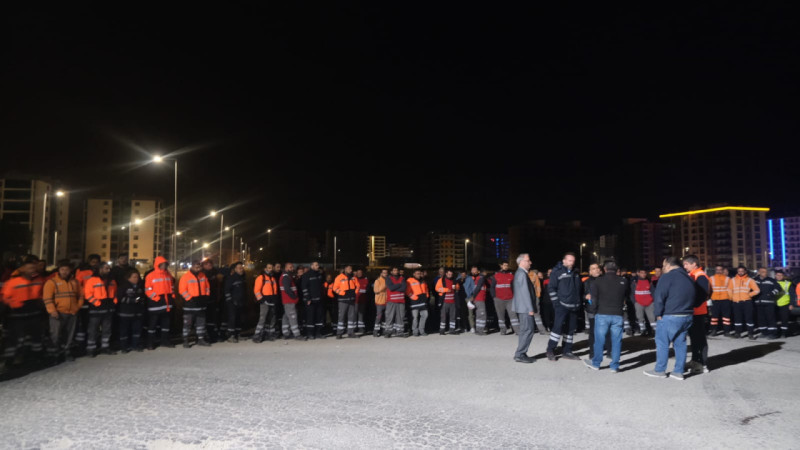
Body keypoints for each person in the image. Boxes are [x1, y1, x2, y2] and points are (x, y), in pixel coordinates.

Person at [644, 257, 695, 381]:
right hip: (687, 315)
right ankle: (678, 371)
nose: (662, 268)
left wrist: (658, 313)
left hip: (671, 315)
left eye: (663, 265)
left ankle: (660, 370)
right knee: (680, 343)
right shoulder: (688, 277)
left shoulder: (667, 277)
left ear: (668, 265)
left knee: (662, 342)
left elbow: (659, 296)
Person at [1, 259, 45, 370]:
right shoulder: (13, 282)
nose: (32, 270)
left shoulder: (39, 280)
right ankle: (10, 361)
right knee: (16, 339)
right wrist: (17, 305)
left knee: (35, 338)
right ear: (22, 269)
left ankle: (35, 358)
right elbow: (5, 298)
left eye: (33, 268)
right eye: (30, 268)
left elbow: (41, 294)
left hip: (34, 313)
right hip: (18, 316)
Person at [585, 261, 627, 372]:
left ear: (604, 269)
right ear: (616, 269)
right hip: (617, 314)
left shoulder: (598, 281)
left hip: (602, 313)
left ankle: (596, 363)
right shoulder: (623, 281)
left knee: (599, 340)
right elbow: (626, 296)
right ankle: (614, 365)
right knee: (617, 341)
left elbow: (594, 299)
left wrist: (593, 311)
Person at [545, 253, 582, 361]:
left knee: (570, 330)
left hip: (574, 306)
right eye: (570, 260)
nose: (572, 263)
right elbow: (551, 288)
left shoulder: (576, 272)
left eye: (573, 261)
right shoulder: (557, 272)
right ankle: (550, 350)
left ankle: (567, 351)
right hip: (561, 306)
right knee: (557, 328)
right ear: (564, 261)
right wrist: (556, 303)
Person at [43, 260, 82, 361]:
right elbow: (47, 298)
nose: (65, 272)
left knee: (69, 335)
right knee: (55, 335)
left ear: (70, 270)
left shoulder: (75, 282)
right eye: (62, 269)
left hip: (72, 313)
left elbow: (81, 296)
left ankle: (66, 352)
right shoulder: (51, 282)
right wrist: (52, 310)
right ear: (58, 270)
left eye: (67, 269)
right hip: (58, 313)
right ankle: (55, 354)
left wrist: (77, 307)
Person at [683, 255, 710, 374]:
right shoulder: (693, 275)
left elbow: (703, 295)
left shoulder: (700, 276)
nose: (685, 266)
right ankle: (695, 360)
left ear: (694, 264)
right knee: (694, 339)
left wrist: (691, 305)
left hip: (698, 312)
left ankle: (702, 364)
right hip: (694, 311)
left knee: (699, 339)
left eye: (686, 264)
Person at [84, 263, 117, 357]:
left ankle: (105, 347)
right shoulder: (92, 280)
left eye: (109, 268)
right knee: (93, 330)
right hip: (96, 309)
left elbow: (115, 292)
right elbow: (87, 294)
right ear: (100, 269)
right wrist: (97, 303)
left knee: (107, 329)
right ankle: (91, 348)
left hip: (108, 308)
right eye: (106, 268)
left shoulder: (112, 280)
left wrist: (114, 301)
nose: (108, 270)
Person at [145, 256, 176, 349]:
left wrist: (172, 296)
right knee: (152, 324)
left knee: (166, 324)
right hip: (156, 303)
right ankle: (150, 343)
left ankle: (165, 341)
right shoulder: (150, 275)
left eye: (165, 264)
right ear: (157, 265)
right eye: (162, 264)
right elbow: (148, 290)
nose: (164, 266)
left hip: (166, 302)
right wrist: (156, 298)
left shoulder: (168, 274)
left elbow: (172, 287)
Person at [512, 253, 538, 363]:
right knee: (528, 330)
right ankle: (520, 354)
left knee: (525, 330)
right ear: (522, 262)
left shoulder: (520, 273)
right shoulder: (521, 274)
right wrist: (530, 308)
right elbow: (525, 293)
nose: (530, 262)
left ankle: (521, 353)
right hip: (525, 308)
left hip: (522, 307)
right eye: (528, 260)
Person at [179, 260, 211, 348]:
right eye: (196, 267)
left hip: (200, 304)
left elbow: (207, 287)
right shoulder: (185, 277)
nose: (198, 269)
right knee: (187, 324)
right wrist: (189, 299)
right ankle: (185, 340)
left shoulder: (203, 276)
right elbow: (182, 290)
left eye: (199, 267)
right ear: (192, 266)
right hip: (189, 305)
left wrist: (206, 296)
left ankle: (200, 339)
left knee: (201, 323)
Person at [74, 253, 101, 352]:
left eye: (96, 262)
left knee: (94, 323)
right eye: (93, 262)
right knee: (83, 323)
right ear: (89, 262)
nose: (95, 264)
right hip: (85, 301)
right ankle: (81, 344)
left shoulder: (100, 272)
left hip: (96, 301)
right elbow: (77, 286)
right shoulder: (83, 273)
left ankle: (92, 342)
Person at [116, 269, 146, 353]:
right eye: (134, 277)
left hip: (137, 313)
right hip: (125, 313)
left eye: (138, 277)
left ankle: (135, 345)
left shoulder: (140, 287)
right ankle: (124, 347)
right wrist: (132, 300)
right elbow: (119, 298)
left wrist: (141, 301)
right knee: (124, 330)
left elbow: (142, 297)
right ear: (128, 278)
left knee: (136, 330)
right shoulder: (123, 286)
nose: (137, 278)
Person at [728, 265, 759, 339]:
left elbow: (757, 290)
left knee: (749, 318)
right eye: (739, 271)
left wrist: (749, 295)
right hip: (736, 302)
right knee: (737, 318)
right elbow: (729, 290)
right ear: (737, 271)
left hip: (747, 302)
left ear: (745, 271)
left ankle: (750, 334)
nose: (740, 272)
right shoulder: (732, 280)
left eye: (742, 271)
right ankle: (737, 333)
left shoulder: (750, 280)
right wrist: (732, 298)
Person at [753, 267, 782, 340]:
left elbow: (778, 288)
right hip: (758, 303)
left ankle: (773, 333)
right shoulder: (754, 280)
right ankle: (764, 332)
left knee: (771, 318)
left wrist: (771, 294)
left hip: (769, 303)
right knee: (761, 319)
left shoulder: (771, 280)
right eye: (762, 271)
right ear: (759, 272)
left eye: (765, 272)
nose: (765, 273)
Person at [491, 261, 518, 335]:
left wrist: (515, 296)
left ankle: (517, 331)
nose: (506, 266)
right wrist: (494, 297)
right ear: (501, 266)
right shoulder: (496, 275)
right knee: (501, 316)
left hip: (510, 299)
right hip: (499, 299)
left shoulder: (511, 275)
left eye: (507, 265)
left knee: (513, 315)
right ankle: (503, 331)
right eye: (504, 265)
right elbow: (492, 287)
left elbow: (514, 287)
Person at [583, 263, 604, 359]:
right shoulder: (586, 282)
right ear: (590, 271)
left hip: (604, 309)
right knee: (593, 331)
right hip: (592, 310)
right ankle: (592, 352)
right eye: (593, 269)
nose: (596, 270)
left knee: (606, 331)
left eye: (597, 268)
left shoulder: (605, 280)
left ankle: (608, 349)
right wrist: (585, 297)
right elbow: (581, 295)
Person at [253, 264, 278, 342]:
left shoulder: (273, 278)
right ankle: (257, 335)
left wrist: (275, 299)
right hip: (264, 301)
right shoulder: (261, 278)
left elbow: (275, 290)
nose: (270, 269)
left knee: (272, 318)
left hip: (272, 301)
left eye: (271, 268)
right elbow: (256, 290)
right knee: (263, 318)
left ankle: (270, 334)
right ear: (265, 269)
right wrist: (261, 300)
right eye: (269, 268)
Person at [279, 262, 303, 340]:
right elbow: (287, 289)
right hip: (289, 300)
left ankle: (286, 333)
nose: (292, 269)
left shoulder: (287, 276)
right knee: (293, 317)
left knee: (286, 317)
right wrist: (294, 297)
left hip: (287, 300)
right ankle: (297, 334)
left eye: (292, 267)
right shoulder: (286, 277)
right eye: (290, 267)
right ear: (286, 268)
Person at [301, 262, 325, 339]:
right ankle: (310, 333)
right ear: (311, 266)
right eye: (316, 265)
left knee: (319, 317)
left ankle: (318, 332)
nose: (317, 266)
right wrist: (308, 298)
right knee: (310, 317)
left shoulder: (319, 275)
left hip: (319, 300)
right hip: (310, 300)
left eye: (318, 265)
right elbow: (304, 288)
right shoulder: (306, 275)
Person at [333, 265, 359, 339]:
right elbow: (335, 288)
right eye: (348, 269)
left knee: (351, 317)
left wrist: (355, 293)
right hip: (343, 300)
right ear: (344, 269)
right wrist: (342, 293)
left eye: (351, 268)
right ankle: (339, 333)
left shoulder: (354, 277)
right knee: (341, 316)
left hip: (351, 300)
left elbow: (358, 286)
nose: (350, 270)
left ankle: (350, 332)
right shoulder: (339, 277)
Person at [202, 258, 224, 342]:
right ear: (203, 265)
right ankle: (204, 335)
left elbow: (219, 285)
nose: (209, 265)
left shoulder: (216, 273)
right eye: (207, 264)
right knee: (204, 318)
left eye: (210, 264)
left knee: (213, 318)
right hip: (204, 299)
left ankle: (213, 334)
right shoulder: (201, 274)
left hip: (214, 298)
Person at [224, 262, 247, 342]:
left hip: (240, 302)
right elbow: (227, 290)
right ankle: (231, 335)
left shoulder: (242, 278)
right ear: (235, 269)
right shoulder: (231, 278)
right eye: (239, 268)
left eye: (242, 267)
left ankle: (238, 334)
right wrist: (230, 301)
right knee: (232, 319)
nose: (241, 269)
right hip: (232, 303)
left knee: (239, 319)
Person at [631, 269, 656, 337]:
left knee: (652, 318)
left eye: (645, 273)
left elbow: (653, 292)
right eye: (642, 273)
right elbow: (632, 293)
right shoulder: (635, 282)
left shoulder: (649, 281)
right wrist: (635, 302)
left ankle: (654, 330)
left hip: (649, 303)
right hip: (639, 303)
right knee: (640, 317)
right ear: (638, 273)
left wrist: (653, 300)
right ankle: (643, 330)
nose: (644, 274)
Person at [708, 265, 733, 336]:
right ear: (715, 270)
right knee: (714, 317)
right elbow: (709, 290)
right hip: (715, 299)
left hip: (725, 299)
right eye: (717, 269)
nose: (719, 271)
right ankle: (713, 330)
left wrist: (730, 299)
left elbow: (730, 290)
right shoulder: (711, 278)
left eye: (720, 269)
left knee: (726, 317)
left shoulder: (728, 279)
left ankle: (727, 331)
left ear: (722, 270)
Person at [384, 267, 407, 338]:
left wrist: (395, 287)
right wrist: (399, 285)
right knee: (390, 317)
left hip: (401, 301)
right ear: (391, 272)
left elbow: (404, 288)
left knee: (400, 317)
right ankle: (388, 332)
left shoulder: (402, 278)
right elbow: (391, 288)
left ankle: (400, 332)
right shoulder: (388, 278)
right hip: (391, 301)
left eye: (397, 270)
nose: (396, 271)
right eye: (394, 270)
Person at [406, 269, 430, 337]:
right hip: (414, 301)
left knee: (425, 315)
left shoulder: (423, 280)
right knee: (415, 317)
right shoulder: (409, 280)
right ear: (414, 274)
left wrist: (426, 296)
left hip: (422, 301)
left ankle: (421, 330)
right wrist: (413, 297)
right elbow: (407, 291)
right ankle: (415, 331)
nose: (418, 275)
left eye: (419, 273)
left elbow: (426, 289)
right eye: (417, 273)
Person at [436, 269, 459, 335]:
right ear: (446, 274)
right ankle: (442, 330)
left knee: (452, 316)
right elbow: (437, 288)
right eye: (449, 274)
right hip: (444, 301)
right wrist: (446, 289)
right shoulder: (441, 280)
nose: (450, 275)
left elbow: (457, 288)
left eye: (451, 274)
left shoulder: (454, 280)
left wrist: (456, 287)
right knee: (443, 316)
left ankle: (452, 330)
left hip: (453, 301)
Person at [467, 266, 488, 335]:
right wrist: (473, 297)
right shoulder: (481, 278)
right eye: (486, 272)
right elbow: (478, 288)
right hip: (480, 298)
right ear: (482, 272)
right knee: (482, 315)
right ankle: (480, 330)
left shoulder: (477, 278)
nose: (486, 274)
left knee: (478, 315)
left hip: (478, 299)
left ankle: (478, 329)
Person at [775, 270, 792, 338]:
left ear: (783, 276)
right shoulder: (773, 283)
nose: (779, 277)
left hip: (785, 303)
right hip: (774, 304)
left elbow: (792, 294)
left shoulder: (788, 283)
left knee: (784, 319)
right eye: (778, 275)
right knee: (774, 319)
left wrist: (791, 304)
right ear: (775, 276)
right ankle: (776, 332)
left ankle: (784, 333)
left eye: (781, 275)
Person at [373, 269, 388, 337]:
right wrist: (385, 285)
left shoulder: (387, 280)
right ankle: (376, 331)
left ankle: (384, 330)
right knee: (379, 317)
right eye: (384, 273)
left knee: (385, 317)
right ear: (381, 274)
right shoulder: (377, 281)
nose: (385, 274)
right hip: (379, 302)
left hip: (386, 301)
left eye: (386, 273)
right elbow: (376, 290)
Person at [354, 269, 369, 334]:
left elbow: (368, 289)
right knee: (354, 314)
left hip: (363, 300)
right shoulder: (354, 279)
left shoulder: (366, 280)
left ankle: (361, 328)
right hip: (355, 301)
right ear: (356, 273)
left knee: (361, 314)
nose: (359, 274)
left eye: (361, 272)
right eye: (358, 272)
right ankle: (354, 328)